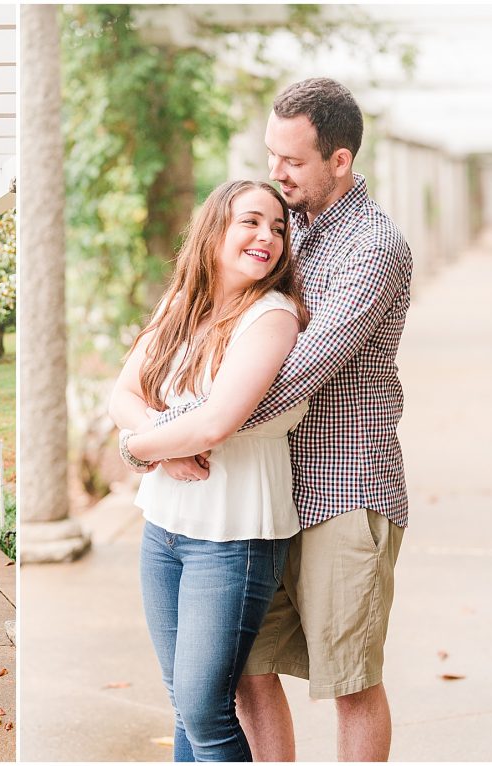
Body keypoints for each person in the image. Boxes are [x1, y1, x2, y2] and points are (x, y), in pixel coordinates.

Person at [142, 78, 413, 762]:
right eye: (271, 154)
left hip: (345, 493)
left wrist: (170, 433)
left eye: (292, 160)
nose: (276, 172)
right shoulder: (292, 232)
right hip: (268, 499)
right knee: (248, 671)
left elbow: (287, 379)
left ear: (340, 161)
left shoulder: (372, 247)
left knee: (349, 681)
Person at [110, 179, 309, 762]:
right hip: (164, 528)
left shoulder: (272, 318)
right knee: (184, 704)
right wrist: (156, 448)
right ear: (215, 227)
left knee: (205, 708)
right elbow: (122, 392)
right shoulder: (182, 305)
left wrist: (140, 446)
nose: (266, 237)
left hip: (233, 537)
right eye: (251, 221)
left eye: (277, 227)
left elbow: (215, 423)